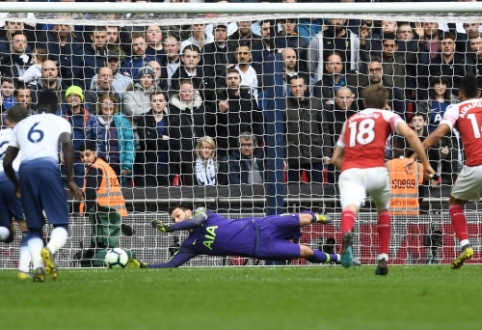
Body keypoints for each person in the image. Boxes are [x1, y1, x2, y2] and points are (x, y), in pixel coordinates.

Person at [331, 84, 434, 276]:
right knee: (383, 209)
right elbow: (410, 134)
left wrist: (350, 170)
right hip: (377, 170)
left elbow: (336, 158)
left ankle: (347, 235)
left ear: (363, 102)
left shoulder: (351, 119)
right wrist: (425, 163)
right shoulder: (388, 116)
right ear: (386, 103)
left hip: (352, 171)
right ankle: (383, 257)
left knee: (350, 208)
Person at [2, 89, 83, 282]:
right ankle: (50, 249)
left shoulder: (22, 125)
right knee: (60, 223)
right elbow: (67, 145)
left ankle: (37, 266)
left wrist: (17, 184)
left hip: (26, 171)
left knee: (33, 227)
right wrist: (70, 179)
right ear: (56, 107)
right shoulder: (61, 121)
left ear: (36, 106)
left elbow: (7, 162)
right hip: (48, 168)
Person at [407, 73, 481, 270]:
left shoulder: (455, 108)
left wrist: (416, 154)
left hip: (475, 165)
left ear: (460, 93)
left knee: (455, 203)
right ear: (480, 93)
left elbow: (439, 133)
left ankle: (465, 245)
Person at [126, 204, 334, 269]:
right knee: (305, 251)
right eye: (174, 219)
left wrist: (171, 228)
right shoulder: (191, 245)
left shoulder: (202, 214)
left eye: (178, 216)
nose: (177, 220)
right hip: (261, 249)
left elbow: (196, 222)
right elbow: (172, 265)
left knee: (306, 218)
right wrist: (144, 266)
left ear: (188, 212)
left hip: (261, 226)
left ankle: (319, 215)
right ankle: (339, 259)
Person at [77, 142, 132, 266]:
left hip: (101, 212)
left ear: (95, 153)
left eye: (87, 155)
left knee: (100, 245)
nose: (84, 159)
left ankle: (91, 263)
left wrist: (87, 209)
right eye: (81, 156)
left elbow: (90, 193)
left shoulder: (95, 169)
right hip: (113, 212)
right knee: (105, 244)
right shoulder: (105, 166)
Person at [0, 104, 32, 280]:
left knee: (6, 234)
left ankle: (4, 231)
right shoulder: (25, 136)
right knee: (28, 227)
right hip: (14, 179)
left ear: (6, 121)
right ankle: (24, 269)